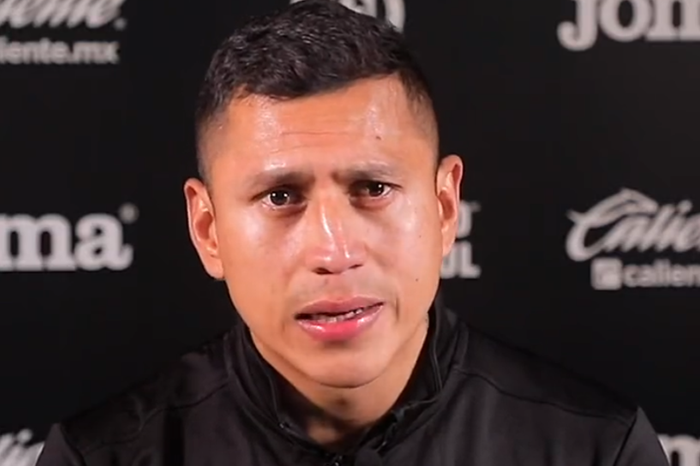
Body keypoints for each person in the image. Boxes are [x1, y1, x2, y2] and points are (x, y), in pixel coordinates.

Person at [36, 1, 670, 465]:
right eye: (280, 197)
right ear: (208, 230)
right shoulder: (101, 459)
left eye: (373, 188)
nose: (334, 251)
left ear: (445, 207)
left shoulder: (597, 451)